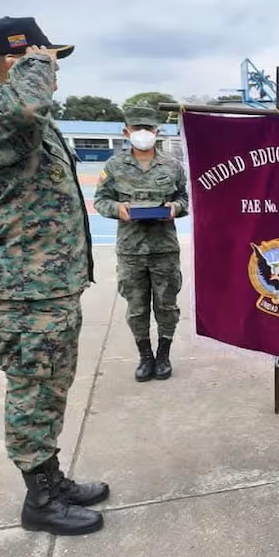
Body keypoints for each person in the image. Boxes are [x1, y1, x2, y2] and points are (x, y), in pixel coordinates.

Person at [0, 16, 108, 535]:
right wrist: (33, 65)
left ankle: (51, 478)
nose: (55, 71)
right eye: (48, 60)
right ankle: (39, 502)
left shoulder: (31, 119)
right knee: (32, 390)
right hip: (25, 286)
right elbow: (28, 102)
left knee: (51, 387)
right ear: (15, 61)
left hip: (50, 284)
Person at [94, 105, 189, 382]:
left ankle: (163, 355)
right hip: (131, 250)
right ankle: (145, 356)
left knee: (167, 306)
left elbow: (185, 199)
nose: (143, 134)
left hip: (164, 249)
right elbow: (100, 200)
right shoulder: (114, 166)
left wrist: (174, 208)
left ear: (157, 132)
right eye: (137, 129)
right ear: (126, 132)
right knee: (136, 308)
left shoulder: (172, 166)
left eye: (148, 129)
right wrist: (118, 209)